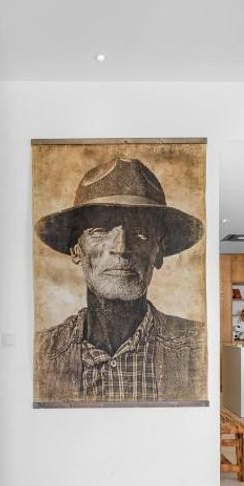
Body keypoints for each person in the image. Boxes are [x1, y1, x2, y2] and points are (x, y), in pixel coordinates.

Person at [33, 157, 207, 407]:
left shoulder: (198, 346)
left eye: (140, 232)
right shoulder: (41, 352)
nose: (122, 248)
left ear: (159, 252)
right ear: (76, 248)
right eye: (100, 230)